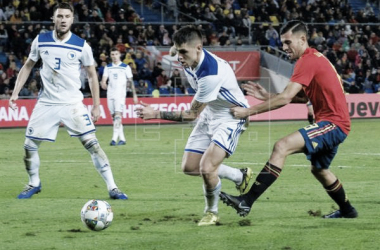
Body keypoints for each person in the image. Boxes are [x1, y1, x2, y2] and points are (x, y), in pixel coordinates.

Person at [220, 20, 358, 219]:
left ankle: (246, 201)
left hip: (333, 124)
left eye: (287, 42)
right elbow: (302, 97)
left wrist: (248, 111)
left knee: (281, 146)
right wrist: (267, 96)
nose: (284, 48)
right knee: (319, 170)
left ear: (302, 39)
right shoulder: (313, 59)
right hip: (333, 123)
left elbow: (285, 98)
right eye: (282, 43)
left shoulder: (306, 61)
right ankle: (348, 210)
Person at [8, 3, 128, 200]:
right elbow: (28, 66)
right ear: (53, 19)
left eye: (67, 16)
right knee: (29, 146)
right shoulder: (41, 40)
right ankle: (34, 183)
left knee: (93, 145)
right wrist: (15, 93)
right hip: (46, 103)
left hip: (72, 104)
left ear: (72, 20)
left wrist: (96, 105)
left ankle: (113, 187)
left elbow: (91, 76)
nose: (63, 20)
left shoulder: (82, 45)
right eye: (59, 16)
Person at [136, 26, 253, 226]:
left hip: (231, 116)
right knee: (189, 167)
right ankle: (238, 175)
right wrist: (175, 49)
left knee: (207, 168)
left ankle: (212, 212)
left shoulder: (209, 73)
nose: (179, 57)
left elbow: (191, 114)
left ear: (198, 48)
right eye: (178, 51)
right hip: (210, 112)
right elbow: (174, 50)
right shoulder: (185, 54)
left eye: (184, 52)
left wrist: (155, 113)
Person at [101, 47, 138, 146]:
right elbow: (104, 79)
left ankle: (114, 139)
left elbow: (131, 81)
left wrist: (134, 95)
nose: (114, 56)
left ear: (120, 55)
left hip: (120, 95)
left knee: (117, 116)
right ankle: (122, 139)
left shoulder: (125, 67)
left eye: (116, 54)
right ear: (110, 56)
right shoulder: (108, 67)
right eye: (112, 54)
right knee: (115, 118)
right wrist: (103, 82)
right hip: (110, 94)